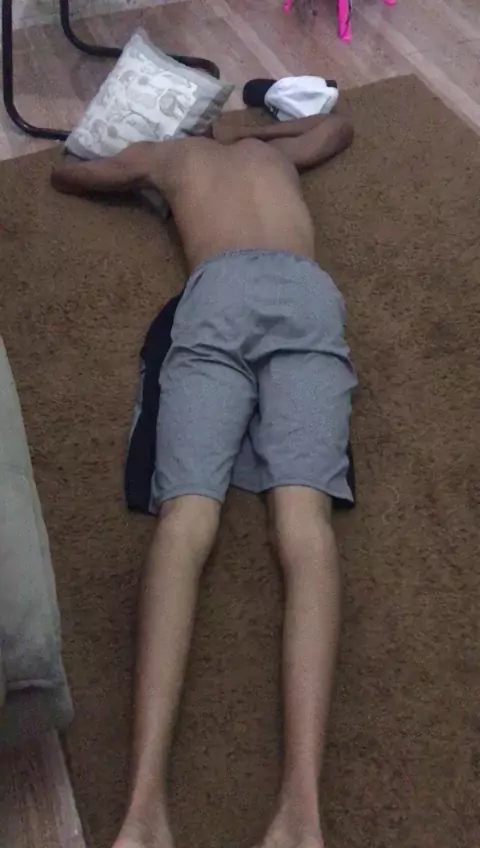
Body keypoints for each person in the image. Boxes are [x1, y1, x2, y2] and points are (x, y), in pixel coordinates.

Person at [51, 109, 357, 848]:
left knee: (187, 521)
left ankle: (143, 812)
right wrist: (260, 135)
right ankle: (302, 813)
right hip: (306, 295)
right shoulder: (269, 156)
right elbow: (336, 129)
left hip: (217, 296)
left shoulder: (168, 156)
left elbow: (72, 174)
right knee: (304, 526)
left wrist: (140, 168)